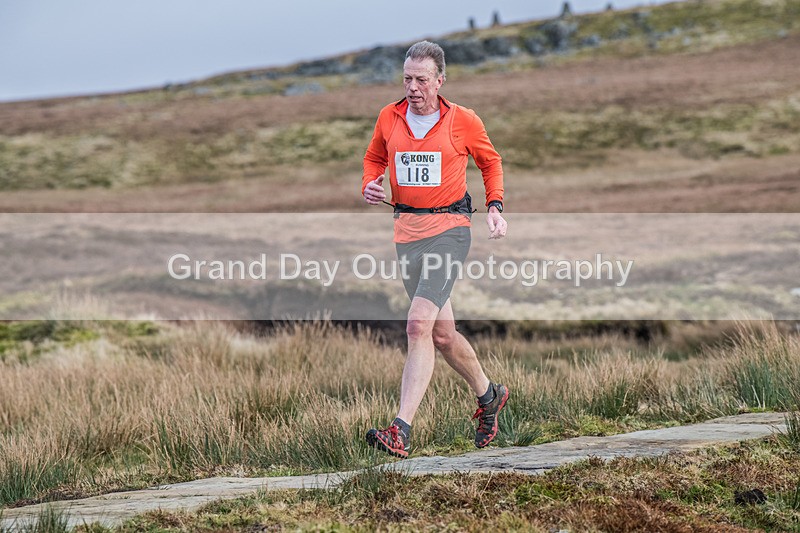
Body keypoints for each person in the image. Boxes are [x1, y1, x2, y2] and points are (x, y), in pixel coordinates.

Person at [361, 40, 509, 458]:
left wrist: (494, 206)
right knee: (442, 334)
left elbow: (490, 162)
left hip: (450, 230)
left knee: (416, 325)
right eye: (407, 78)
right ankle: (489, 395)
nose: (412, 87)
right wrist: (370, 185)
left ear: (439, 80)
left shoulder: (462, 120)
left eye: (421, 79)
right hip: (407, 233)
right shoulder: (389, 118)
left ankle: (400, 430)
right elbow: (374, 159)